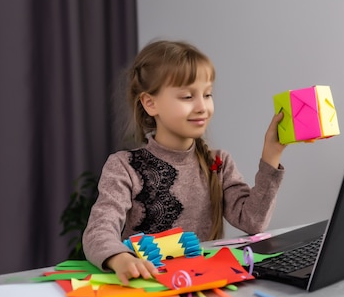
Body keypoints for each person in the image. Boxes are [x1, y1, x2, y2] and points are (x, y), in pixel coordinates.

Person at [82, 39, 287, 284]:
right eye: (188, 96)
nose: (203, 107)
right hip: (149, 289)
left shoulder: (219, 163)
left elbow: (253, 221)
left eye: (208, 94)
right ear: (150, 103)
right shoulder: (124, 167)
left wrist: (271, 154)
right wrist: (120, 258)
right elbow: (98, 230)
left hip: (205, 288)